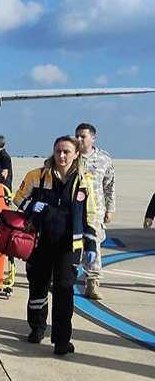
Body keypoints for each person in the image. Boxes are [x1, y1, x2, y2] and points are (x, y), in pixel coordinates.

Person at [13, 136, 99, 356]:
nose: (62, 156)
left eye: (67, 152)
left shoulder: (83, 180)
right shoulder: (38, 175)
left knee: (64, 291)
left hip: (68, 246)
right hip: (41, 243)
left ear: (76, 154)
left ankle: (62, 340)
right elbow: (18, 198)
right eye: (58, 151)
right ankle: (37, 328)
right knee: (37, 287)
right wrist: (34, 205)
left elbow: (90, 214)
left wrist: (91, 244)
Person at [75, 123, 115, 300]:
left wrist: (110, 208)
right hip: (74, 209)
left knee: (94, 247)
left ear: (93, 138)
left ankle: (92, 282)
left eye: (83, 136)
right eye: (77, 135)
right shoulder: (70, 156)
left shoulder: (104, 159)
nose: (79, 139)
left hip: (95, 210)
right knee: (71, 243)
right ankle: (63, 276)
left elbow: (109, 186)